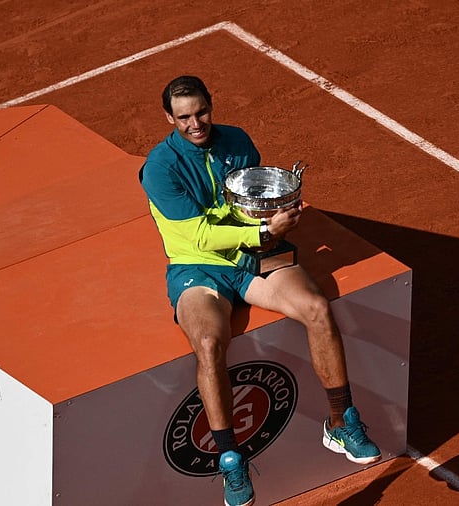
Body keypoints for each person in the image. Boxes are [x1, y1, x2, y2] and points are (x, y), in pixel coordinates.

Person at [139, 75, 380, 506]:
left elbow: (248, 203)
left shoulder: (237, 141)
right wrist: (265, 230)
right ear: (169, 119)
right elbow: (198, 238)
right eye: (184, 118)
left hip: (255, 255)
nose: (196, 124)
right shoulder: (159, 168)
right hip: (200, 267)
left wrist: (279, 217)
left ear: (211, 105)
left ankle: (341, 422)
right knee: (211, 341)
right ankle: (231, 458)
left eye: (201, 112)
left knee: (317, 308)